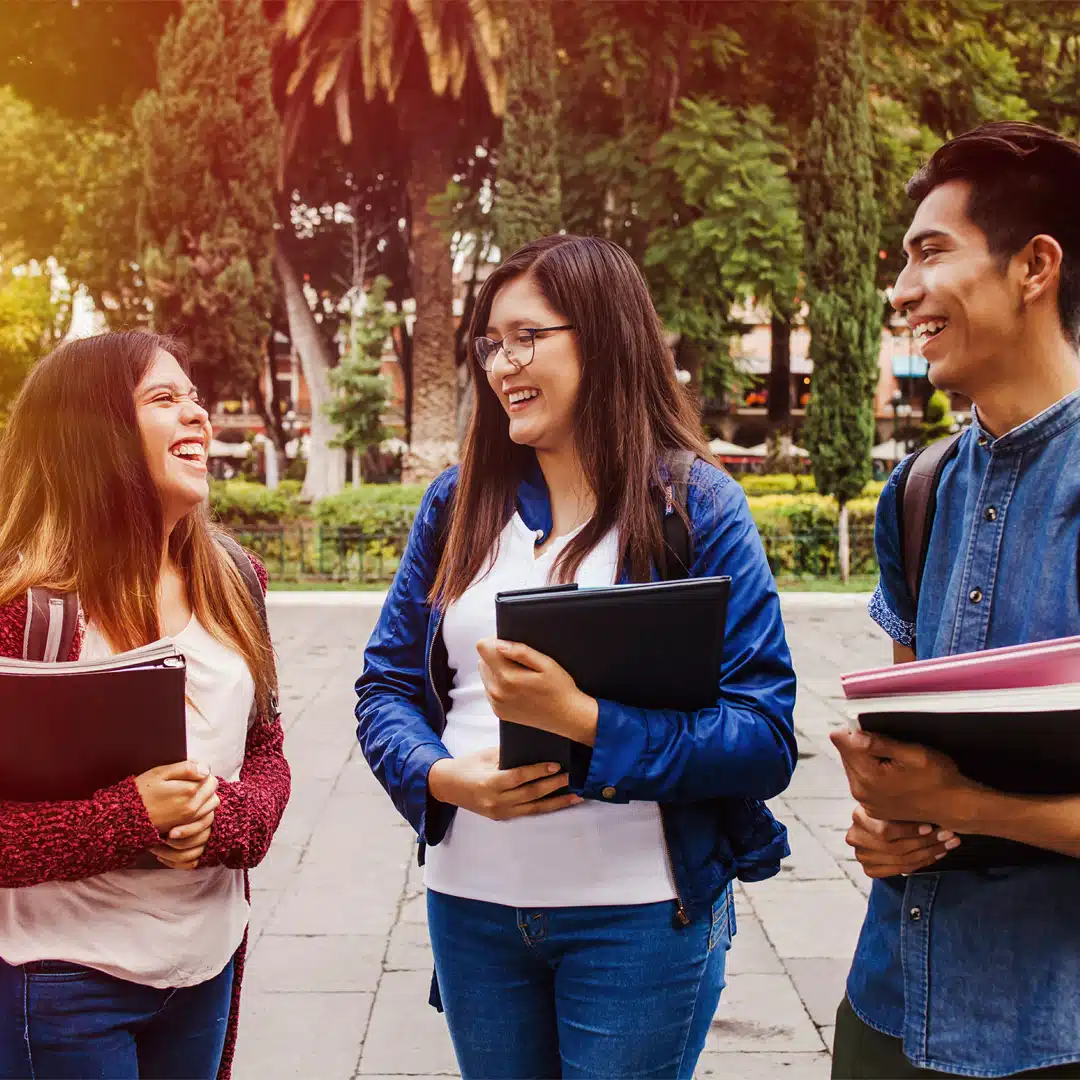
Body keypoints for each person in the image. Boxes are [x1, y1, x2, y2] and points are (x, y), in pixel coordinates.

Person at [356, 234, 797, 1080]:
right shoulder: (456, 505)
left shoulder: (695, 505)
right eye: (490, 342)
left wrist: (582, 723)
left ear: (602, 337)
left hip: (639, 918)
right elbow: (386, 687)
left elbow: (764, 736)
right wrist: (445, 780)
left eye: (528, 337)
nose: (501, 363)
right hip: (472, 908)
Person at [830, 122, 1080, 1079]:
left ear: (1035, 266)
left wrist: (964, 802)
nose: (900, 293)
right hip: (890, 1006)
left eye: (931, 252)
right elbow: (906, 753)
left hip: (1051, 1030)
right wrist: (887, 818)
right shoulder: (922, 488)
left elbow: (948, 787)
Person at [0, 331, 291, 1080]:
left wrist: (227, 822)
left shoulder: (235, 577)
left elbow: (266, 749)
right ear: (91, 434)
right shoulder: (22, 611)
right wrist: (129, 817)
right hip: (62, 983)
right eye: (165, 398)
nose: (198, 415)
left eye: (193, 396)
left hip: (206, 966)